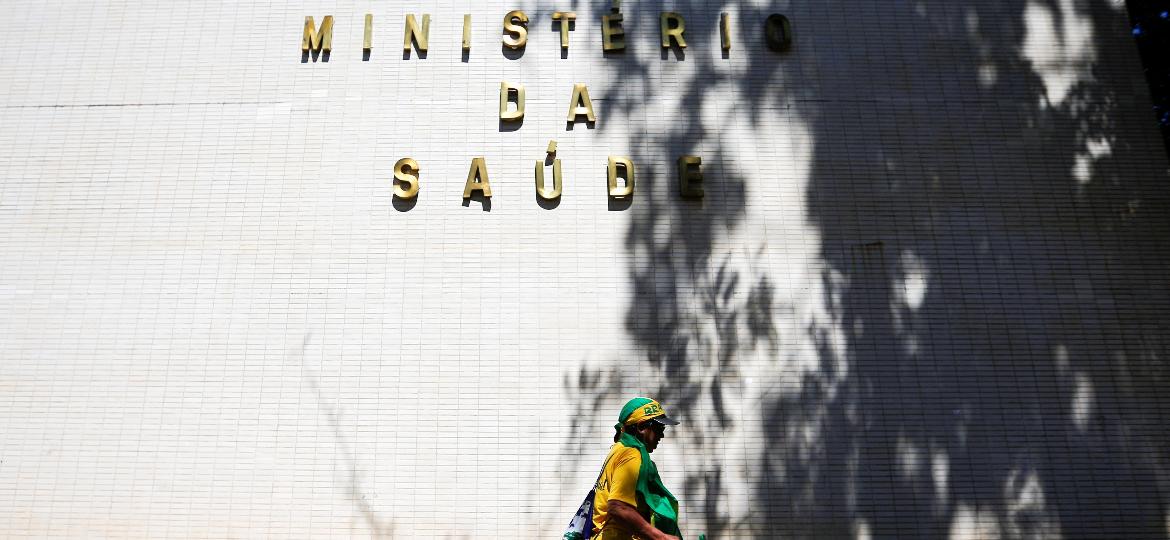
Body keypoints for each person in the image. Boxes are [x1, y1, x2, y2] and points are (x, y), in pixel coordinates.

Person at [591, 397, 683, 540]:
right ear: (641, 428)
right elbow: (618, 507)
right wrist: (661, 537)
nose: (662, 435)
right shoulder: (632, 454)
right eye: (659, 428)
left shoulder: (618, 449)